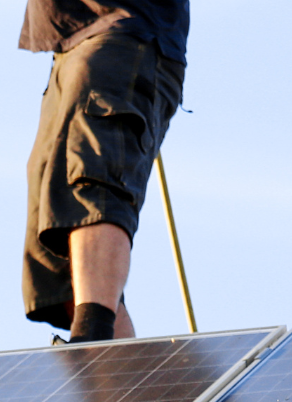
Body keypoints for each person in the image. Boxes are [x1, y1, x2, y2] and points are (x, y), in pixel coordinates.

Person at [21, 1, 190, 342]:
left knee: (91, 180)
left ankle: (92, 339)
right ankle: (116, 376)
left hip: (123, 31)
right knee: (54, 232)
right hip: (70, 44)